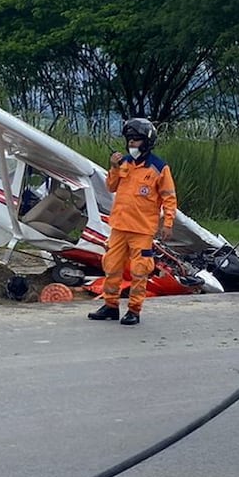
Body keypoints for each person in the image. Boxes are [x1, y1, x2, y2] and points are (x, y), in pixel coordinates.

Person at [87, 117, 177, 326]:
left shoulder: (159, 168)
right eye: (129, 140)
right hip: (119, 225)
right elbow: (111, 187)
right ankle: (110, 306)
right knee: (111, 266)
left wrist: (168, 223)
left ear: (146, 142)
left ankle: (134, 310)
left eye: (136, 140)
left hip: (142, 229)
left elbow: (169, 198)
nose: (131, 144)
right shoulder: (124, 163)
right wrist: (114, 167)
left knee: (139, 270)